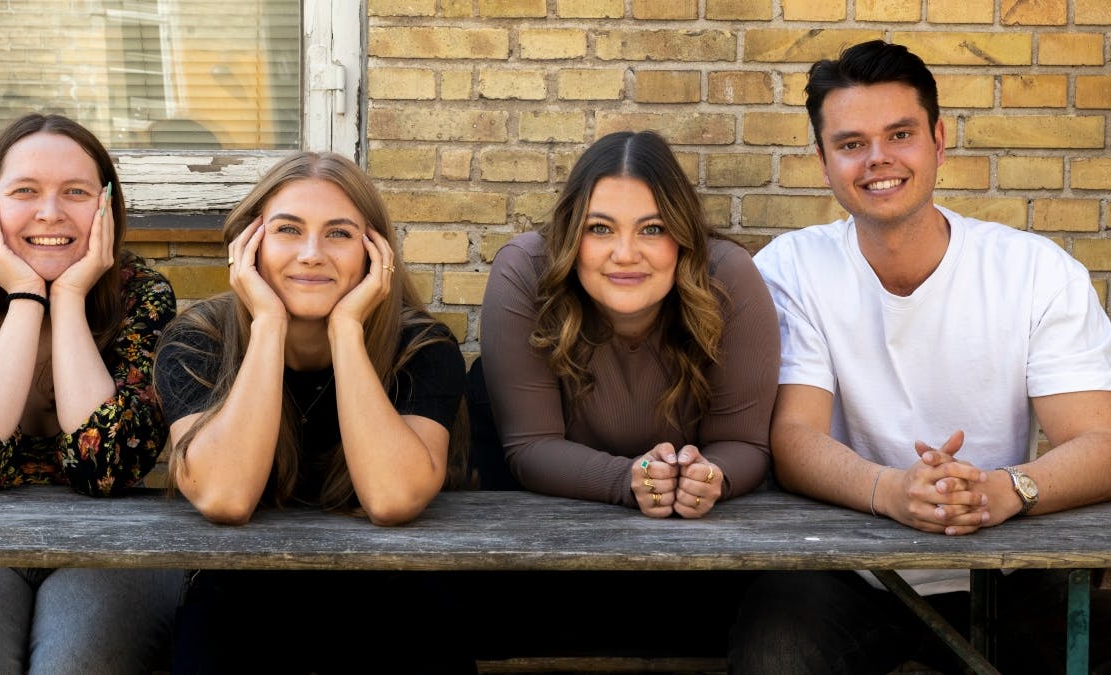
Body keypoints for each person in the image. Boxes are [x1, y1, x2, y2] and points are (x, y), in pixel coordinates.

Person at [730, 40, 1111, 674]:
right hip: (841, 565)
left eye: (899, 134)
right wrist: (894, 490)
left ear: (938, 140)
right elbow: (793, 437)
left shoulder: (1034, 270)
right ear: (823, 162)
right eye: (851, 144)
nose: (878, 159)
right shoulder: (791, 269)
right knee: (775, 651)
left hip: (1007, 561)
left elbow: (1099, 440)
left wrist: (1004, 490)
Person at [153, 150, 471, 673]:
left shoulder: (422, 347)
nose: (311, 253)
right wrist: (268, 326)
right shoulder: (197, 341)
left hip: (395, 592)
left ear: (376, 252)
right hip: (240, 592)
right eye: (287, 229)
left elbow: (392, 500)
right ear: (249, 245)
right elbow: (225, 497)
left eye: (340, 234)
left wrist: (347, 330)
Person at [469, 129, 779, 658]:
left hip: (694, 556)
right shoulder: (526, 271)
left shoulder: (727, 275)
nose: (625, 254)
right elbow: (529, 445)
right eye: (600, 228)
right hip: (546, 545)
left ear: (681, 236)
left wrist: (709, 477)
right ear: (572, 233)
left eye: (652, 228)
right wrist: (628, 478)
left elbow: (746, 444)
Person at [0, 113, 182, 674]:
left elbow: (105, 468)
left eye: (76, 192)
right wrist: (27, 297)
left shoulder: (141, 297)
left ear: (107, 206)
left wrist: (71, 295)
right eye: (25, 191)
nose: (51, 212)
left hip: (113, 548)